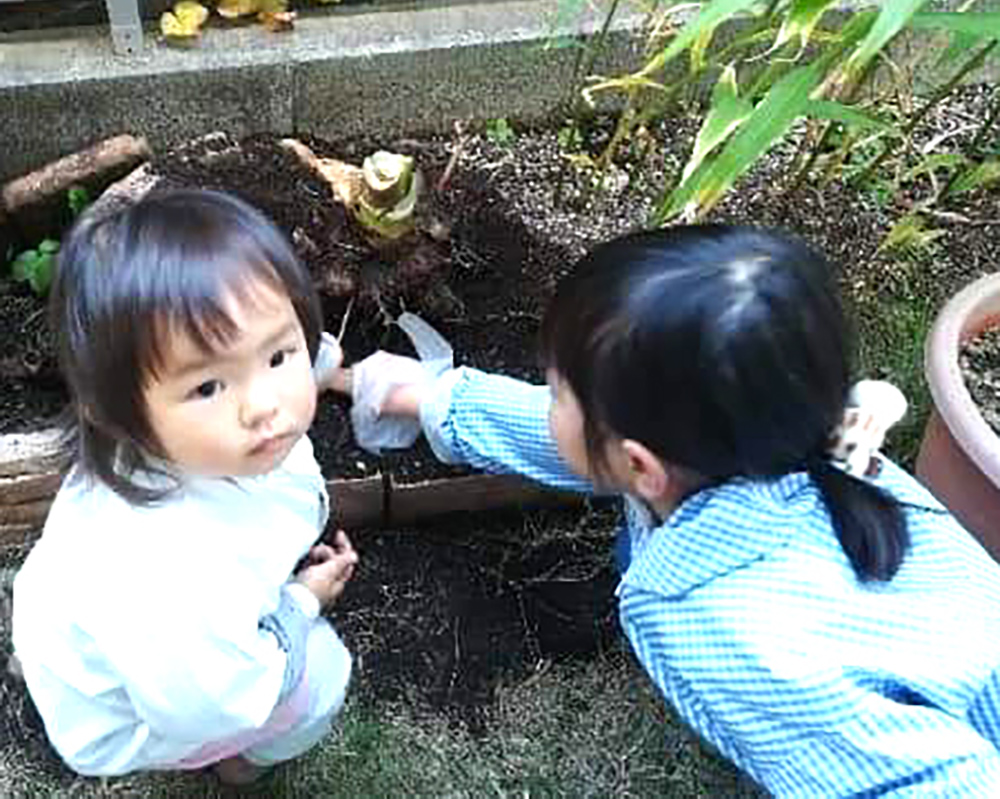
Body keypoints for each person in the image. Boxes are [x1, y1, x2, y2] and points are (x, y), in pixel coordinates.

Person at [338, 225, 1000, 795]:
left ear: (642, 466)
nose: (551, 401)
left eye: (560, 392)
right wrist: (434, 399)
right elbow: (583, 446)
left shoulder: (738, 641)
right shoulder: (783, 428)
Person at [12, 189, 358, 784]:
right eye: (206, 388)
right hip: (145, 712)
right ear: (116, 412)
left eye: (278, 355)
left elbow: (287, 354)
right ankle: (240, 767)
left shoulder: (186, 443)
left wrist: (313, 365)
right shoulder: (169, 579)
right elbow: (210, 705)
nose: (264, 406)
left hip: (106, 645)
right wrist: (301, 605)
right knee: (325, 675)